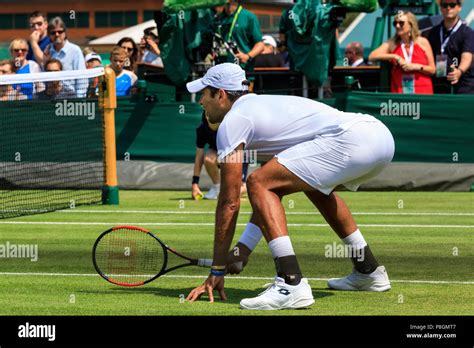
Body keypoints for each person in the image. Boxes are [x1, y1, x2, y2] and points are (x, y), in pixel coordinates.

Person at [185, 63, 394, 310]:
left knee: (258, 181)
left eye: (204, 93)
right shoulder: (264, 108)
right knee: (312, 188)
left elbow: (230, 201)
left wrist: (217, 268)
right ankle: (368, 270)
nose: (200, 101)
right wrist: (242, 250)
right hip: (379, 138)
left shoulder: (233, 122)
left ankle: (290, 282)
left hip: (353, 141)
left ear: (220, 94)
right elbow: (274, 192)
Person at [369, 11, 435, 94]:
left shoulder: (423, 42)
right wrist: (395, 57)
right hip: (400, 94)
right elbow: (372, 56)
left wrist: (415, 67)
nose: (397, 26)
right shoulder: (392, 43)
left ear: (411, 25)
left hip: (423, 93)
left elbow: (432, 69)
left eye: (401, 23)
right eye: (395, 23)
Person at [192, 112, 249, 200]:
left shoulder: (228, 127)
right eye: (207, 113)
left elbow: (240, 150)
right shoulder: (202, 129)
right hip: (218, 152)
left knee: (235, 190)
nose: (210, 115)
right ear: (205, 117)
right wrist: (195, 184)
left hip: (238, 154)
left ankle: (242, 187)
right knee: (208, 159)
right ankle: (217, 187)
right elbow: (199, 155)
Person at [428, 0, 474, 94]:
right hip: (440, 86)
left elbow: (467, 57)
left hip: (463, 86)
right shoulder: (433, 32)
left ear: (459, 7)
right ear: (440, 8)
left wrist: (459, 71)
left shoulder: (467, 32)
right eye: (444, 5)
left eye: (452, 5)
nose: (448, 8)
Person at [215, 0, 264, 71]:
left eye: (232, 2)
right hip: (222, 69)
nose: (229, 6)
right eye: (227, 3)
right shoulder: (218, 18)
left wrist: (247, 56)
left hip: (243, 69)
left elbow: (260, 45)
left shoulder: (249, 17)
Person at [45, 17, 87, 96]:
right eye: (53, 32)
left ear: (65, 33)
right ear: (49, 35)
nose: (57, 34)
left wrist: (79, 99)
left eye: (60, 31)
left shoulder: (75, 50)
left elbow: (82, 77)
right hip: (51, 98)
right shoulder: (47, 51)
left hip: (72, 98)